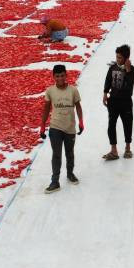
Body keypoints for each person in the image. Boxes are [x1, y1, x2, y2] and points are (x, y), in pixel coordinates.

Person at [40, 64, 84, 193]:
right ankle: (55, 181)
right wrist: (42, 126)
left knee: (69, 153)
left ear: (66, 75)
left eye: (62, 75)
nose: (60, 78)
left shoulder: (73, 90)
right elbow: (46, 108)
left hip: (70, 127)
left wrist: (81, 122)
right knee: (56, 155)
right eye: (57, 76)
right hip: (55, 127)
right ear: (54, 77)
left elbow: (78, 107)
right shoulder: (50, 91)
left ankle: (70, 174)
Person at [103, 44, 134, 160]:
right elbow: (108, 80)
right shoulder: (112, 68)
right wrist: (105, 93)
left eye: (120, 58)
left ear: (126, 59)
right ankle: (114, 150)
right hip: (113, 101)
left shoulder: (132, 70)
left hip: (125, 102)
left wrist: (127, 70)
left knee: (127, 124)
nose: (117, 60)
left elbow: (130, 85)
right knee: (111, 125)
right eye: (117, 57)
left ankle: (127, 148)